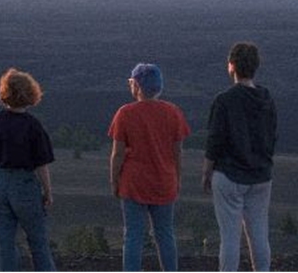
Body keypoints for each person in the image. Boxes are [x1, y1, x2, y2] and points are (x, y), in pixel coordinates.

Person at [202, 42, 277, 272]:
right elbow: (272, 136)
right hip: (261, 176)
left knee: (230, 238)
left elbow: (215, 140)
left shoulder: (224, 100)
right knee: (259, 236)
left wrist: (207, 172)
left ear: (231, 66)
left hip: (230, 175)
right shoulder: (266, 99)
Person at [108, 63, 191, 272]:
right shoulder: (173, 112)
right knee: (165, 234)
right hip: (164, 182)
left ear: (136, 85)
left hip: (134, 184)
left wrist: (114, 180)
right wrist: (177, 179)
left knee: (133, 235)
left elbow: (117, 153)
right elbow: (177, 152)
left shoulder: (125, 113)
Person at [0, 68, 56, 271]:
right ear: (30, 93)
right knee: (38, 241)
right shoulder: (33, 126)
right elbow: (41, 164)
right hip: (24, 185)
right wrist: (48, 191)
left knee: (5, 242)